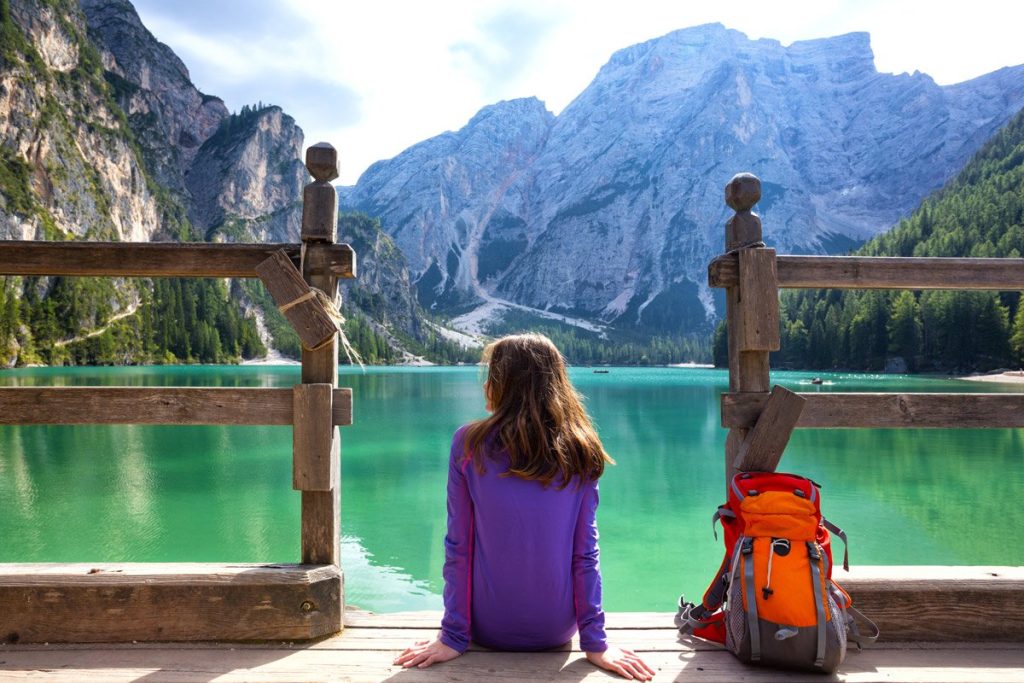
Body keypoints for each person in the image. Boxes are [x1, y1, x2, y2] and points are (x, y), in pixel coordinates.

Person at [394, 333, 656, 681]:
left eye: (492, 375)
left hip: (487, 628)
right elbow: (585, 554)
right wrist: (595, 643)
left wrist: (454, 637)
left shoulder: (468, 444)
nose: (486, 384)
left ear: (506, 386)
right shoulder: (582, 449)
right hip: (557, 631)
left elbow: (458, 546)